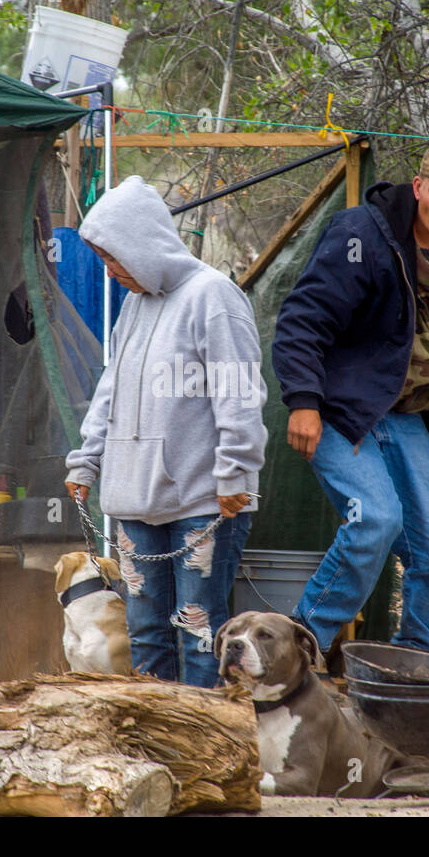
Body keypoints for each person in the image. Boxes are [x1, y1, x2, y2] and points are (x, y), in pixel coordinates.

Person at [271, 139, 429, 660]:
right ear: (418, 187)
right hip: (341, 412)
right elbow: (301, 322)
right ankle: (301, 646)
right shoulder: (361, 235)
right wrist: (304, 401)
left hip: (405, 417)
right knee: (374, 520)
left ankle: (416, 659)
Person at [64, 175, 267, 687]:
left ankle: (206, 732)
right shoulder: (134, 306)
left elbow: (239, 394)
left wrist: (235, 473)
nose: (110, 271)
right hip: (134, 500)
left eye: (113, 258)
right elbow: (111, 388)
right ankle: (159, 729)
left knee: (199, 633)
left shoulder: (213, 297)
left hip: (204, 500)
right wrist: (86, 461)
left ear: (143, 244)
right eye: (103, 260)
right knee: (147, 633)